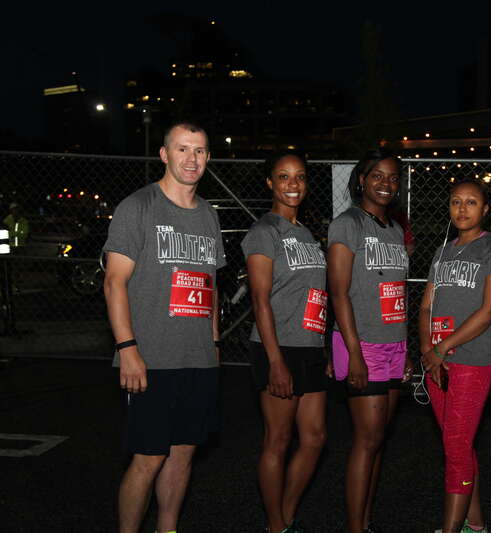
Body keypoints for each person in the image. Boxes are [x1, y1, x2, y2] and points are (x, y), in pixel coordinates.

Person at [103, 121, 226, 533]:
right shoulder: (138, 207)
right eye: (182, 149)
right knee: (148, 457)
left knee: (183, 454)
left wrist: (214, 341)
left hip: (198, 359)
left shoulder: (209, 214)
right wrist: (128, 349)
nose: (191, 159)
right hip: (151, 358)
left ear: (208, 157)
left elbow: (210, 284)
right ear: (164, 154)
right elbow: (114, 282)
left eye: (200, 151)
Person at [327, 149, 414, 533]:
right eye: (377, 175)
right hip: (361, 344)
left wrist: (406, 348)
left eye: (393, 178)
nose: (385, 183)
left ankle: (366, 519)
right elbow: (339, 292)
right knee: (366, 441)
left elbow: (398, 293)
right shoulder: (346, 225)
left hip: (393, 344)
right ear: (361, 180)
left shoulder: (396, 230)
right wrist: (355, 354)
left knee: (378, 440)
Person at [419, 180, 491, 533]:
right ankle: (475, 525)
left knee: (457, 447)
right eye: (456, 201)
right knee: (458, 446)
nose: (462, 209)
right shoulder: (442, 252)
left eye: (471, 202)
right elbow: (426, 305)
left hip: (471, 360)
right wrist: (428, 350)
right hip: (437, 362)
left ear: (485, 209)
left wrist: (442, 348)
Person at [242, 153, 328, 533]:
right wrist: (276, 361)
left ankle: (285, 516)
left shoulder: (307, 233)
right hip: (277, 347)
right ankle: (276, 526)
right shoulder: (264, 232)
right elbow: (260, 300)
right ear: (270, 184)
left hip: (309, 347)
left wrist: (321, 347)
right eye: (283, 177)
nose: (292, 184)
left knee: (314, 438)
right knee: (278, 440)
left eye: (299, 177)